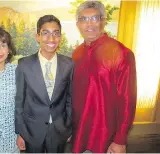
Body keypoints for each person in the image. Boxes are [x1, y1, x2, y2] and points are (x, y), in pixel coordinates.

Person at [72, 1, 137, 153]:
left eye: (94, 18)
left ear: (103, 21)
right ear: (78, 24)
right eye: (83, 19)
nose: (89, 24)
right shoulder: (76, 54)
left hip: (106, 138)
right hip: (79, 134)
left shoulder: (121, 53)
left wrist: (120, 140)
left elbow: (127, 99)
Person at [15, 15, 73, 153]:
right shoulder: (24, 64)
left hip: (59, 129)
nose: (51, 39)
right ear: (38, 36)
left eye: (56, 33)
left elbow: (70, 99)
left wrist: (69, 127)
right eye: (45, 33)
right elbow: (19, 101)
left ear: (60, 37)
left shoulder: (69, 64)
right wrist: (20, 132)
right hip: (32, 129)